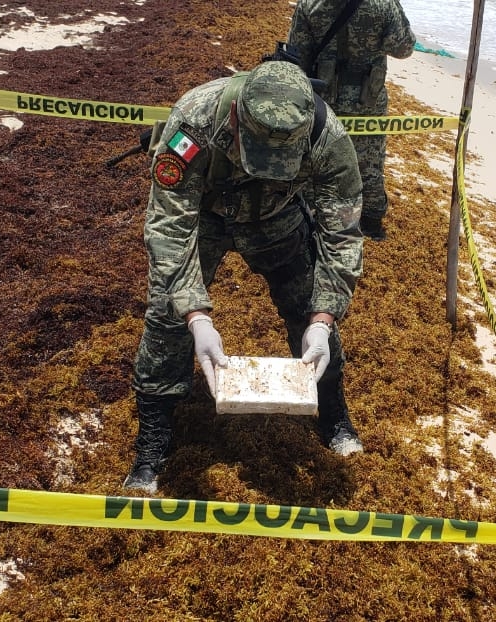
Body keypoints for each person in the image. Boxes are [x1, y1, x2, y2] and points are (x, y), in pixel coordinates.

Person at [124, 61, 367, 494]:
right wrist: (197, 317)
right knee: (166, 320)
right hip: (205, 219)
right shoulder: (194, 121)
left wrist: (323, 321)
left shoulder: (328, 139)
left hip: (278, 218)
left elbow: (342, 235)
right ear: (237, 118)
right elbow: (169, 225)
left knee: (308, 311)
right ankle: (153, 441)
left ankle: (333, 415)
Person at [287, 0, 415, 241]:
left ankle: (314, 223)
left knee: (317, 160)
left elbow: (297, 54)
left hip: (323, 99)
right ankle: (371, 225)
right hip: (367, 101)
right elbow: (403, 48)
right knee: (368, 163)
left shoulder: (311, 4)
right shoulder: (384, 4)